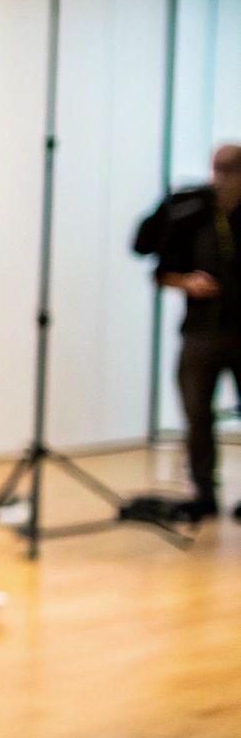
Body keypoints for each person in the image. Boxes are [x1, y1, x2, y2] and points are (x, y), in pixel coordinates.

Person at [135, 143, 241, 519]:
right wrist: (187, 282)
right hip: (201, 332)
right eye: (219, 170)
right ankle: (203, 493)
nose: (224, 179)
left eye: (233, 171)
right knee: (197, 415)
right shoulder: (192, 212)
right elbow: (156, 265)